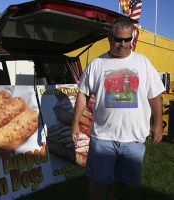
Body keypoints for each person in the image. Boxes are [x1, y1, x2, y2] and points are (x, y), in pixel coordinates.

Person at [70, 17, 165, 200]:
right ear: (109, 38)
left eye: (127, 39)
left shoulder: (143, 63)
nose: (122, 44)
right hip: (103, 136)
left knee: (125, 179)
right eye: (118, 39)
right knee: (99, 180)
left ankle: (113, 197)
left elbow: (155, 96)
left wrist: (158, 123)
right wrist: (74, 123)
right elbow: (83, 95)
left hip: (134, 137)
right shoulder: (97, 64)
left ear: (132, 39)